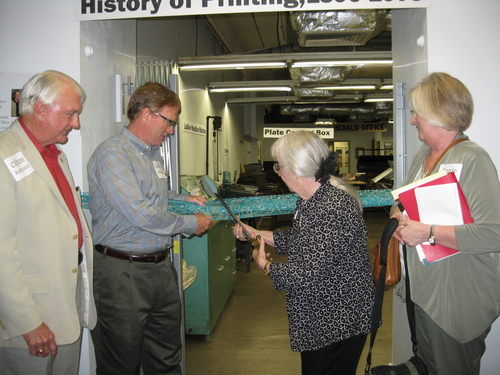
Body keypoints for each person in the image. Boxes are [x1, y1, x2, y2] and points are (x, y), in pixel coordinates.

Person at [87, 81, 212, 375]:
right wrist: (190, 224)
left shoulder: (151, 155)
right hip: (123, 271)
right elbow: (140, 213)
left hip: (160, 267)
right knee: (121, 361)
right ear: (145, 114)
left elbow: (158, 197)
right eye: (168, 122)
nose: (170, 130)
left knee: (166, 357)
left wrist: (186, 199)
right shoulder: (112, 155)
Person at [233, 131, 375, 375]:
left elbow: (305, 273)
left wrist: (265, 264)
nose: (277, 171)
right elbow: (302, 240)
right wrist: (256, 233)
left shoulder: (332, 206)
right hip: (321, 316)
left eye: (279, 165)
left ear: (296, 166)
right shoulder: (311, 199)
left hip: (338, 319)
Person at [392, 72, 500, 375]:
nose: (413, 120)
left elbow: (494, 234)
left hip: (455, 302)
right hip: (424, 294)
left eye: (416, 113)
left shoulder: (472, 159)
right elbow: (401, 201)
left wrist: (426, 232)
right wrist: (398, 218)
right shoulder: (424, 156)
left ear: (437, 113)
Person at [0, 70, 96, 374]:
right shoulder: (4, 155)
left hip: (66, 307)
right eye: (70, 114)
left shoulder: (56, 154)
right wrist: (28, 323)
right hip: (30, 320)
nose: (76, 123)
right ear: (40, 109)